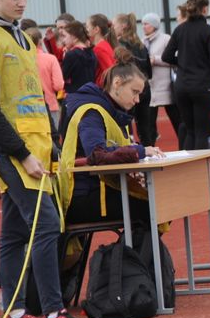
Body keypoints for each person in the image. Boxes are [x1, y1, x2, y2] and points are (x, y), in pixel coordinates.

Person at [0, 0, 97, 318]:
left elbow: (32, 97)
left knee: (14, 231)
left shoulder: (20, 35)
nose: (22, 3)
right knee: (47, 224)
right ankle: (53, 314)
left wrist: (51, 143)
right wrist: (22, 154)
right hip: (11, 151)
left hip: (36, 147)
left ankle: (16, 312)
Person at [59, 47, 162, 227]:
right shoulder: (92, 112)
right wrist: (140, 150)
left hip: (99, 189)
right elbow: (98, 155)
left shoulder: (113, 111)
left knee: (163, 202)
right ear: (117, 83)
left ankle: (135, 245)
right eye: (134, 92)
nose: (137, 100)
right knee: (158, 206)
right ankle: (134, 246)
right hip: (85, 195)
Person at [161, 0, 210, 150]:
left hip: (182, 86)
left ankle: (189, 166)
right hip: (202, 86)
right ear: (205, 9)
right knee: (202, 132)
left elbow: (166, 56)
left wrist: (182, 62)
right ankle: (201, 166)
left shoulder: (179, 30)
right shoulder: (209, 31)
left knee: (190, 131)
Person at [113, 13, 154, 145]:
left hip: (129, 88)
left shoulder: (119, 46)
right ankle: (150, 151)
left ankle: (128, 150)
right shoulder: (141, 45)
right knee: (144, 128)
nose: (112, 28)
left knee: (125, 125)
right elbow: (149, 72)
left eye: (114, 25)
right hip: (145, 88)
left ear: (123, 26)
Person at [141, 13, 181, 143]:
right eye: (143, 24)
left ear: (154, 25)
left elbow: (174, 59)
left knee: (177, 120)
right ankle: (150, 147)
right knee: (149, 125)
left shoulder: (165, 39)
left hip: (166, 87)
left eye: (146, 24)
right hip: (150, 88)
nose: (143, 27)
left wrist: (155, 60)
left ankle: (184, 145)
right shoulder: (143, 41)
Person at [25, 27, 64, 128]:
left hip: (27, 108)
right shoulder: (50, 59)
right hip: (49, 104)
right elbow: (58, 85)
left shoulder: (22, 60)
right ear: (40, 41)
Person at [87, 14, 116, 87]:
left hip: (101, 89)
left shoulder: (99, 48)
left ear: (96, 29)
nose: (86, 30)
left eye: (87, 27)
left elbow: (109, 71)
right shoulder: (104, 44)